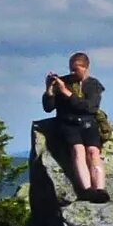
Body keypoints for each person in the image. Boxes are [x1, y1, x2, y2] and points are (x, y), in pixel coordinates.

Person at [38, 50, 109, 201]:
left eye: (76, 69)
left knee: (93, 152)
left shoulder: (93, 85)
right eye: (71, 68)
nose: (72, 72)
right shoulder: (64, 82)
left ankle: (100, 189)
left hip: (88, 122)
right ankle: (87, 189)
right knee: (78, 151)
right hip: (68, 124)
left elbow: (90, 107)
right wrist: (50, 90)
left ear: (85, 67)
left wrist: (67, 93)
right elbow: (48, 107)